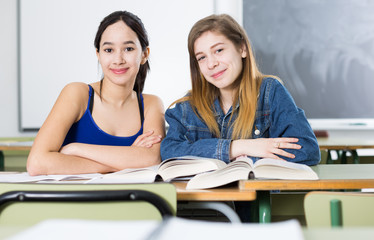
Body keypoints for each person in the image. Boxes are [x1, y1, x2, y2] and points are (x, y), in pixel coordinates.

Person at [160, 14, 320, 221]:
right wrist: (239, 148)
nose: (211, 64)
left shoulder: (270, 92)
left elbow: (307, 148)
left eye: (218, 50)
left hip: (257, 215)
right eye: (201, 57)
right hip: (203, 217)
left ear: (242, 49)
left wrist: (253, 160)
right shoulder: (187, 107)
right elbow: (169, 151)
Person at [27, 11, 164, 176]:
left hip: (127, 199)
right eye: (108, 50)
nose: (118, 59)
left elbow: (152, 159)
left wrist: (76, 149)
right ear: (98, 55)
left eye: (128, 48)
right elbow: (37, 163)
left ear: (144, 54)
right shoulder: (78, 94)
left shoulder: (151, 104)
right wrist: (124, 162)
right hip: (75, 199)